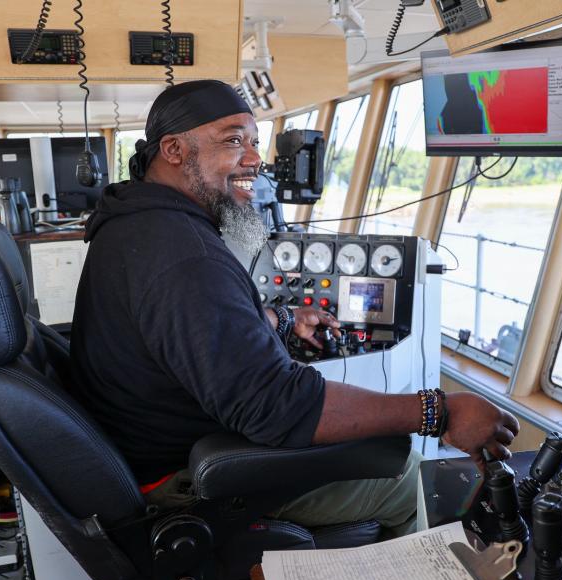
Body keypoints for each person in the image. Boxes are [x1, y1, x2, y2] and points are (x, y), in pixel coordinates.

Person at [70, 80, 518, 537]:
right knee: (410, 477)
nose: (253, 158)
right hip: (185, 474)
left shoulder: (136, 224)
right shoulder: (184, 256)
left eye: (254, 142)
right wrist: (438, 411)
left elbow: (185, 332)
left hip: (162, 444)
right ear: (173, 150)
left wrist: (282, 319)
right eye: (232, 140)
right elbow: (274, 405)